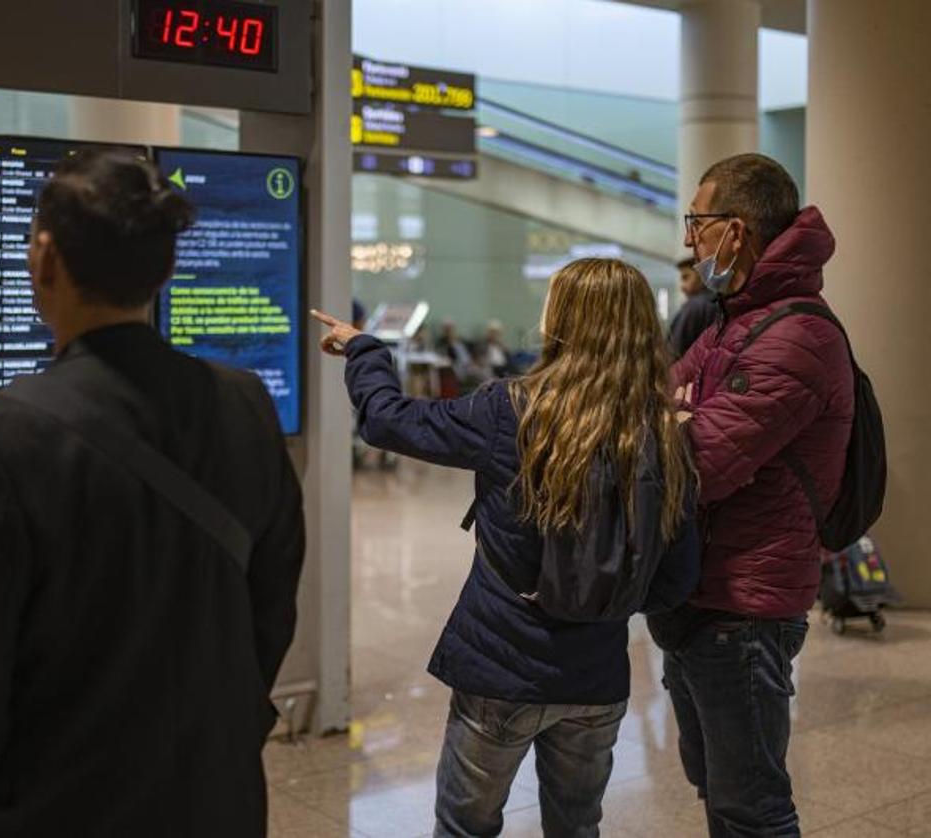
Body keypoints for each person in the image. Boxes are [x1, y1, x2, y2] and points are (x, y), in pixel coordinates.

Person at [0, 149, 305, 837]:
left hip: (56, 808)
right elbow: (271, 604)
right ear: (165, 268)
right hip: (217, 799)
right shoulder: (245, 404)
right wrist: (230, 733)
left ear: (44, 260)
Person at [312, 258, 701, 838]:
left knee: (466, 826)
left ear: (562, 320)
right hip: (597, 675)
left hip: (500, 666)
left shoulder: (510, 410)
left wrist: (366, 351)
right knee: (577, 826)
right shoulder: (663, 434)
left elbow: (388, 421)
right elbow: (673, 580)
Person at [658, 153, 854, 836]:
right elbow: (655, 403)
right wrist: (672, 419)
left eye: (697, 221)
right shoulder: (733, 321)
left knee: (751, 809)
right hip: (702, 596)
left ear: (735, 231)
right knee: (715, 786)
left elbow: (698, 464)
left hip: (743, 609)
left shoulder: (793, 335)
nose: (689, 239)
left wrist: (677, 423)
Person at [667, 256, 720, 359]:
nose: (682, 286)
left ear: (701, 275)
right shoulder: (719, 303)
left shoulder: (695, 306)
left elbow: (674, 351)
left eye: (686, 277)